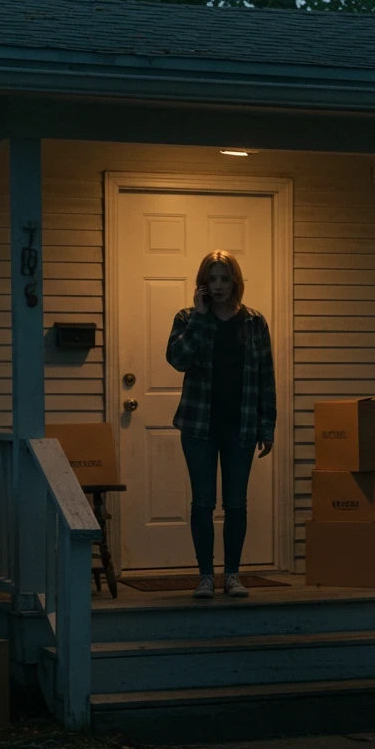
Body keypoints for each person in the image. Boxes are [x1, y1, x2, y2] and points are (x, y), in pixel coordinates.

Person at [166, 250, 276, 600]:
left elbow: (265, 376)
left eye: (224, 279)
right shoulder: (187, 318)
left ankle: (231, 575)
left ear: (235, 282)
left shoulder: (254, 322)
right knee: (202, 502)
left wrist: (267, 424)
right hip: (199, 424)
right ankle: (203, 576)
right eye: (211, 279)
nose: (217, 286)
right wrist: (199, 318)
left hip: (240, 425)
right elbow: (177, 360)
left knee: (236, 504)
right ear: (202, 282)